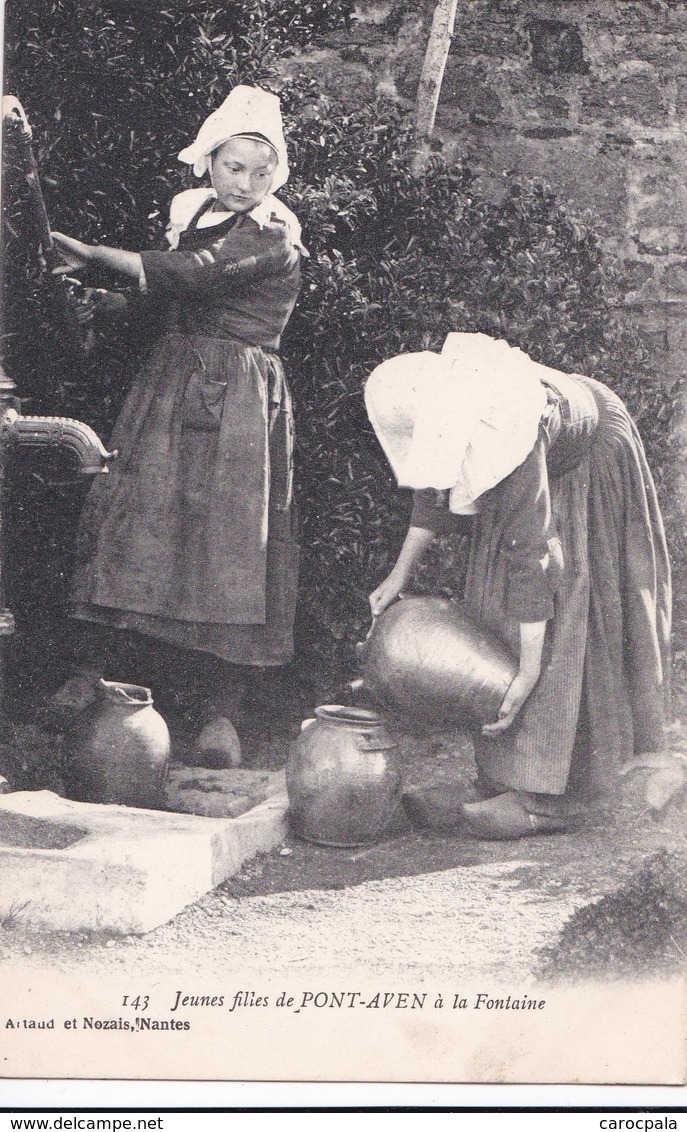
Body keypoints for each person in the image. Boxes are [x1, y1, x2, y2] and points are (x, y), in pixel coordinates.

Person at [48, 85, 307, 763]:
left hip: (239, 400)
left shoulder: (274, 234)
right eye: (233, 167)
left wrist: (98, 253)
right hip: (170, 386)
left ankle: (223, 713)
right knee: (138, 523)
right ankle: (95, 681)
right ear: (209, 163)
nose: (246, 183)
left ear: (275, 175)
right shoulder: (191, 219)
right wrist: (100, 303)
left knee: (227, 546)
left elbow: (194, 277)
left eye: (261, 170)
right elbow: (164, 300)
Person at [365, 332, 671, 839]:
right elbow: (433, 490)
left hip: (588, 459)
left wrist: (527, 670)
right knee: (493, 611)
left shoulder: (502, 422)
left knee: (567, 626)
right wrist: (400, 572)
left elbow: (534, 558)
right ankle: (499, 779)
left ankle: (559, 799)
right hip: (537, 474)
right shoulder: (451, 406)